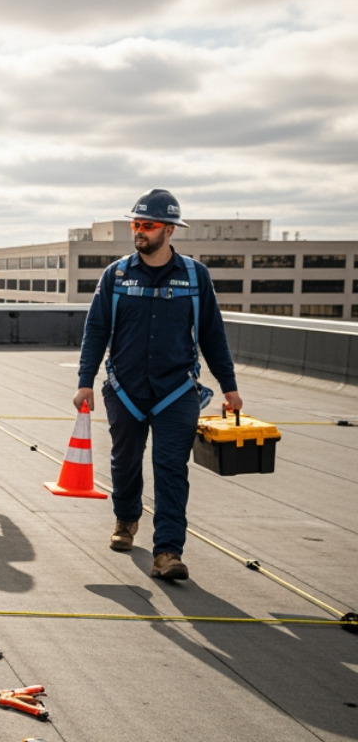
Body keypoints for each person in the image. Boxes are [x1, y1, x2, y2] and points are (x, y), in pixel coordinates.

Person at [75, 189, 241, 581]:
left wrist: (229, 387)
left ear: (168, 230)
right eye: (135, 224)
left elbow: (212, 335)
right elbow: (96, 330)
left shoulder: (194, 277)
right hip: (125, 390)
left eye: (146, 225)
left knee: (170, 469)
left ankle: (168, 551)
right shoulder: (116, 275)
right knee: (125, 462)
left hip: (176, 392)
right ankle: (126, 520)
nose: (139, 231)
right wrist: (85, 382)